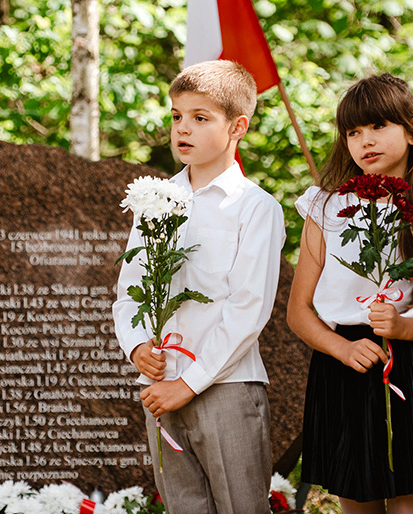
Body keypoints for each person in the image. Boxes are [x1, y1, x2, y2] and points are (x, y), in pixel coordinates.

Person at [287, 73, 413, 512]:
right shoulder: (325, 207)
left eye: (378, 127)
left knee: (412, 507)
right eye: (353, 132)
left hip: (412, 365)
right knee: (357, 506)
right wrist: (341, 348)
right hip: (344, 367)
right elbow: (298, 311)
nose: (364, 141)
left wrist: (405, 327)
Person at [112, 60, 285, 514]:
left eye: (200, 117)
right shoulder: (155, 200)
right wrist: (135, 347)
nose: (182, 128)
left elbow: (249, 309)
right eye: (176, 116)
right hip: (160, 382)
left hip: (226, 385)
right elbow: (130, 291)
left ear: (238, 127)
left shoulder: (255, 208)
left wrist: (187, 384)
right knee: (183, 507)